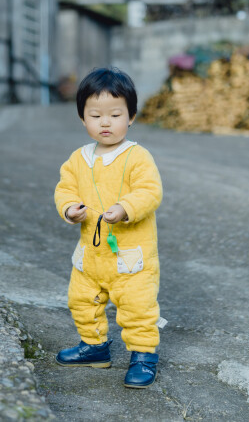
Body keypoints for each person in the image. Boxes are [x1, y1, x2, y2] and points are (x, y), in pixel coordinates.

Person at [53, 66, 164, 388]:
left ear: (130, 117)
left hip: (131, 256)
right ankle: (94, 347)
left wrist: (126, 208)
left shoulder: (137, 157)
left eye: (115, 114)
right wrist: (69, 208)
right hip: (91, 253)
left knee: (137, 307)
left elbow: (149, 191)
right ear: (82, 119)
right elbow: (65, 189)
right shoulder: (78, 158)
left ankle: (143, 355)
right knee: (81, 300)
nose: (105, 122)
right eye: (95, 115)